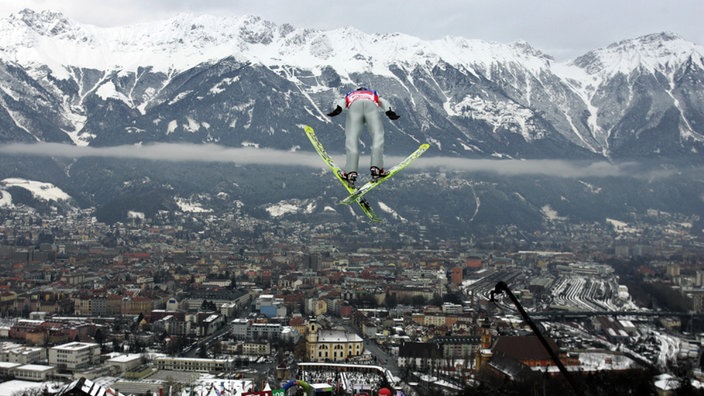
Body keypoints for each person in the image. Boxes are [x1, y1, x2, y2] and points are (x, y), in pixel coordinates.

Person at [327, 87, 400, 188]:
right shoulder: (372, 93)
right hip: (371, 106)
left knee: (351, 138)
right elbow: (383, 101)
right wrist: (389, 112)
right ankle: (377, 169)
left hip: (354, 107)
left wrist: (337, 109)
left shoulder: (350, 94)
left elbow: (342, 102)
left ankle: (350, 173)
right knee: (377, 135)